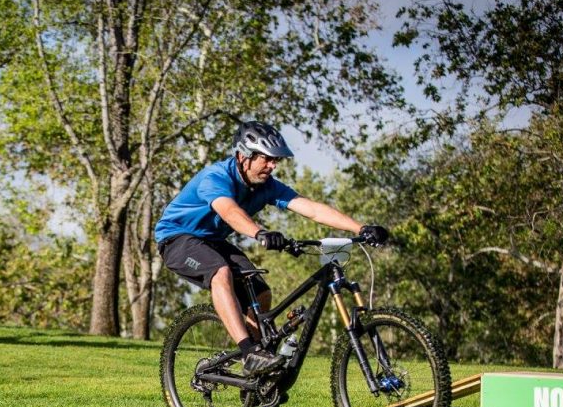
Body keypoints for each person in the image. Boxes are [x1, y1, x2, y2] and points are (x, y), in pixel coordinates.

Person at [155, 121, 389, 376]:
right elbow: (230, 212)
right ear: (245, 156)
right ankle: (249, 352)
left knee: (260, 290)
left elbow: (311, 208)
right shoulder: (216, 177)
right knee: (220, 272)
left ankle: (257, 369)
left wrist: (361, 228)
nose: (273, 166)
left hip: (212, 241)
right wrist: (260, 233)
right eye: (267, 159)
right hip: (177, 238)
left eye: (275, 160)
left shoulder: (267, 186)